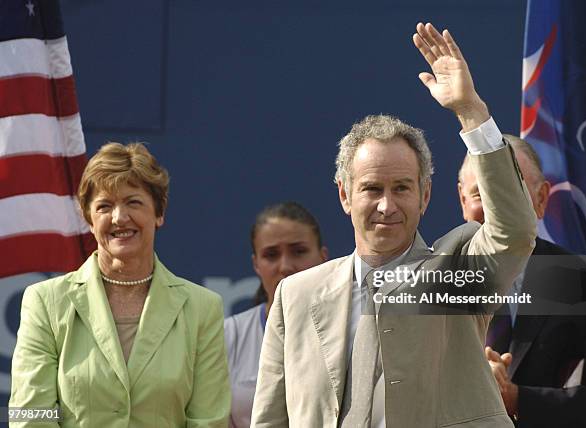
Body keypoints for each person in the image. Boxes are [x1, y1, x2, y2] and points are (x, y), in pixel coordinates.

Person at [251, 22, 537, 428]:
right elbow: (271, 420)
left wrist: (470, 112)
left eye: (402, 188)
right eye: (371, 188)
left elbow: (515, 232)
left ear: (425, 196)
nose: (387, 205)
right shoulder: (296, 295)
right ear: (344, 196)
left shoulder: (456, 272)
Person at [9, 143, 230, 427]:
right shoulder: (45, 301)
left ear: (159, 212)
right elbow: (30, 415)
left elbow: (208, 420)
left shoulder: (203, 308)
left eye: (133, 202)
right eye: (104, 206)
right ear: (89, 219)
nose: (119, 217)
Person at [458, 134, 586, 427]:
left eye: (510, 193)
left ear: (541, 198)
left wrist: (516, 398)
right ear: (463, 200)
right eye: (481, 194)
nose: (497, 211)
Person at [224, 202, 328, 428]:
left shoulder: (351, 327)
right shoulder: (227, 335)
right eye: (271, 255)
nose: (285, 266)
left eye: (299, 251)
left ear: (323, 258)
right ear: (256, 265)